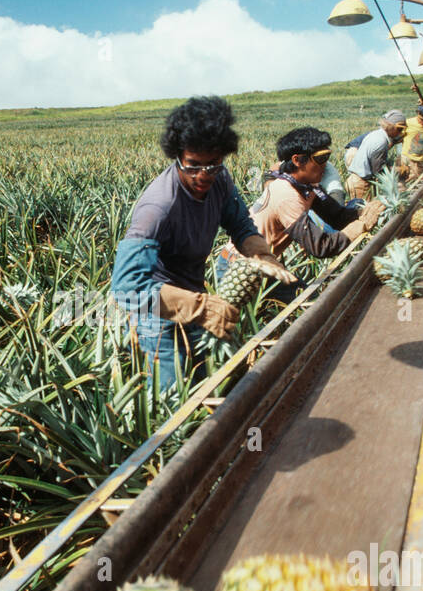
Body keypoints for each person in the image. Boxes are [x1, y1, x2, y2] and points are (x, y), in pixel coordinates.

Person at [110, 96, 294, 390]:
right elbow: (125, 288)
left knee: (209, 385)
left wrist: (261, 254)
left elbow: (240, 223)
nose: (203, 175)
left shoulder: (219, 179)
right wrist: (202, 308)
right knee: (173, 404)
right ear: (177, 156)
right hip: (160, 318)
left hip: (197, 299)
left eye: (213, 165)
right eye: (193, 165)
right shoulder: (159, 208)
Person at [222, 128, 383, 267]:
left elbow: (336, 216)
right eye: (320, 158)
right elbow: (320, 246)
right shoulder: (287, 196)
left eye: (327, 156)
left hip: (263, 262)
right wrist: (359, 226)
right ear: (297, 160)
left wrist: (362, 212)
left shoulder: (306, 186)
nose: (325, 164)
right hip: (238, 265)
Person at [345, 110, 407, 199]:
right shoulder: (381, 141)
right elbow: (378, 171)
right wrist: (397, 170)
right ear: (391, 126)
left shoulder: (376, 134)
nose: (400, 133)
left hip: (356, 180)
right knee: (364, 212)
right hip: (360, 184)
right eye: (399, 129)